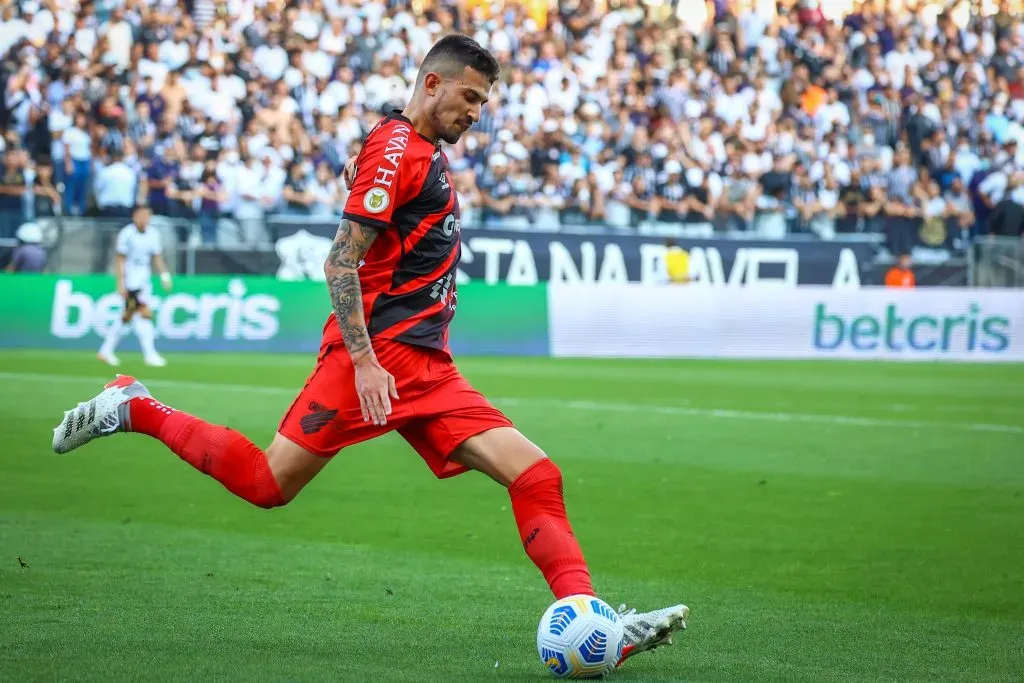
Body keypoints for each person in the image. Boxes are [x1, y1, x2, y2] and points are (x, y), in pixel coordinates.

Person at [52, 34, 687, 666]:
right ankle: (134, 407)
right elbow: (340, 262)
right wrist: (362, 361)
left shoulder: (410, 146)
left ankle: (590, 621)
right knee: (267, 483)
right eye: (468, 95)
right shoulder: (395, 149)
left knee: (537, 475)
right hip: (378, 359)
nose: (476, 111)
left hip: (428, 367)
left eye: (484, 102)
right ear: (431, 84)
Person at [96, 205, 173, 367]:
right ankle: (149, 354)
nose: (145, 220)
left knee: (127, 317)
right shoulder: (127, 234)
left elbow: (157, 257)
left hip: (144, 279)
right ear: (135, 216)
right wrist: (120, 282)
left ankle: (106, 350)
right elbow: (120, 259)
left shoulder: (153, 234)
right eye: (143, 216)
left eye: (148, 216)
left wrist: (164, 275)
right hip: (131, 280)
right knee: (143, 313)